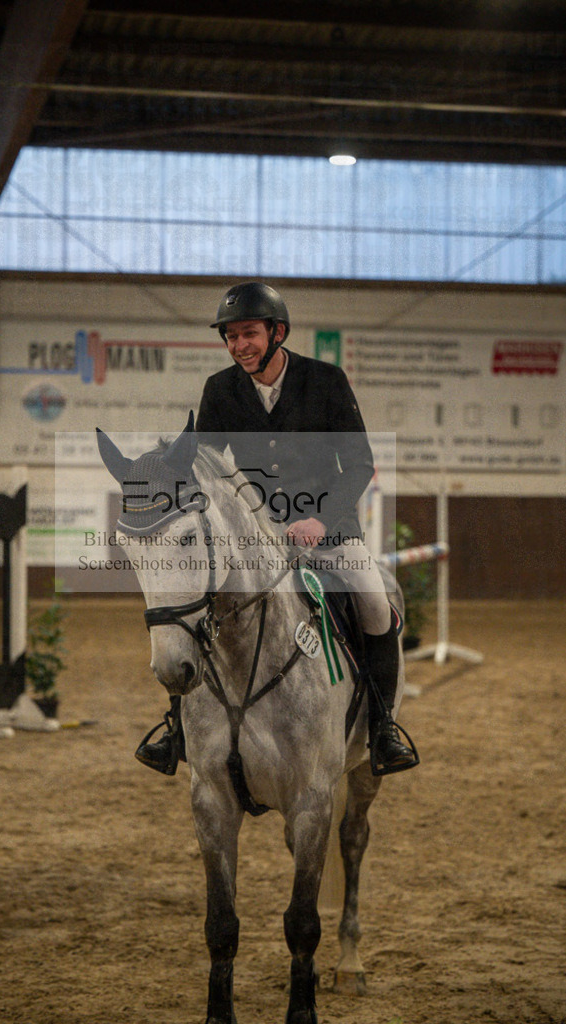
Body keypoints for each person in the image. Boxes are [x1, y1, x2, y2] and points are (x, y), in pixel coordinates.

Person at [135, 281, 418, 777]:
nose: (238, 345)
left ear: (277, 332)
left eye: (248, 334)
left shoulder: (326, 381)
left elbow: (358, 464)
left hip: (328, 529)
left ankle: (382, 728)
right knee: (196, 604)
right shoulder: (220, 390)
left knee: (374, 600)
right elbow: (203, 463)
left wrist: (320, 520)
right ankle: (176, 728)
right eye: (230, 337)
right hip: (257, 534)